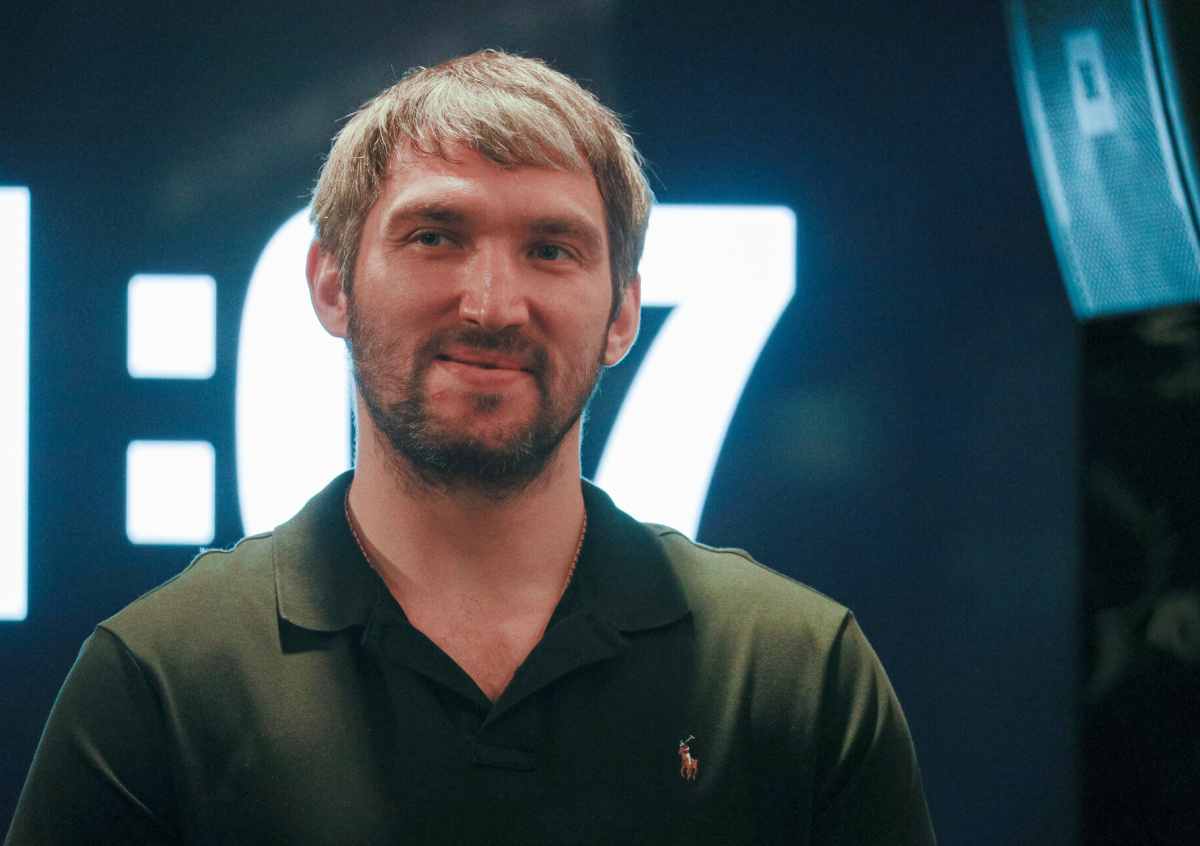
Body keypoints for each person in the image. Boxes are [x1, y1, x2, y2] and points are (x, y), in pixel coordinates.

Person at [5, 51, 935, 845]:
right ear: (330, 284)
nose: (492, 305)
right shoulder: (161, 682)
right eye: (435, 237)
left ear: (623, 313)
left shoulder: (794, 673)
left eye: (552, 249)